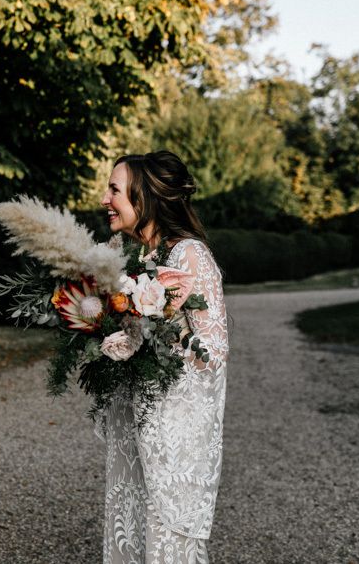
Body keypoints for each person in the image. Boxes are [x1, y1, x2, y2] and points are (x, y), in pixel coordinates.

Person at [99, 150, 228, 564]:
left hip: (172, 442)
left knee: (166, 540)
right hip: (135, 425)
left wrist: (148, 341)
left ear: (145, 198)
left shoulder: (190, 257)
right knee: (132, 526)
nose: (105, 198)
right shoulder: (135, 257)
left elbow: (214, 352)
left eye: (114, 190)